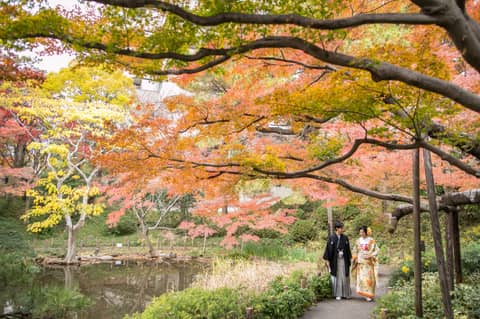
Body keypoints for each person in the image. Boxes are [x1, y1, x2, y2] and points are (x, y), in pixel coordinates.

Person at [323, 221, 352, 300]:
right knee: (338, 276)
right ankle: (338, 294)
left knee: (345, 275)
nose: (342, 229)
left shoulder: (345, 237)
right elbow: (328, 250)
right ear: (337, 228)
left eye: (342, 228)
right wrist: (327, 260)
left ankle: (346, 294)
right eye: (341, 228)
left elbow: (348, 249)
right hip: (335, 260)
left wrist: (349, 258)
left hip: (344, 259)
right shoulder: (332, 238)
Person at [351, 226, 379, 302]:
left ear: (366, 232)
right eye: (360, 232)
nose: (361, 233)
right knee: (362, 279)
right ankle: (365, 294)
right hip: (361, 263)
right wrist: (355, 257)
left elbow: (376, 250)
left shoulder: (371, 240)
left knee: (369, 279)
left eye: (362, 232)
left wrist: (371, 255)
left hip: (368, 262)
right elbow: (354, 250)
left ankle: (369, 294)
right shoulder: (358, 241)